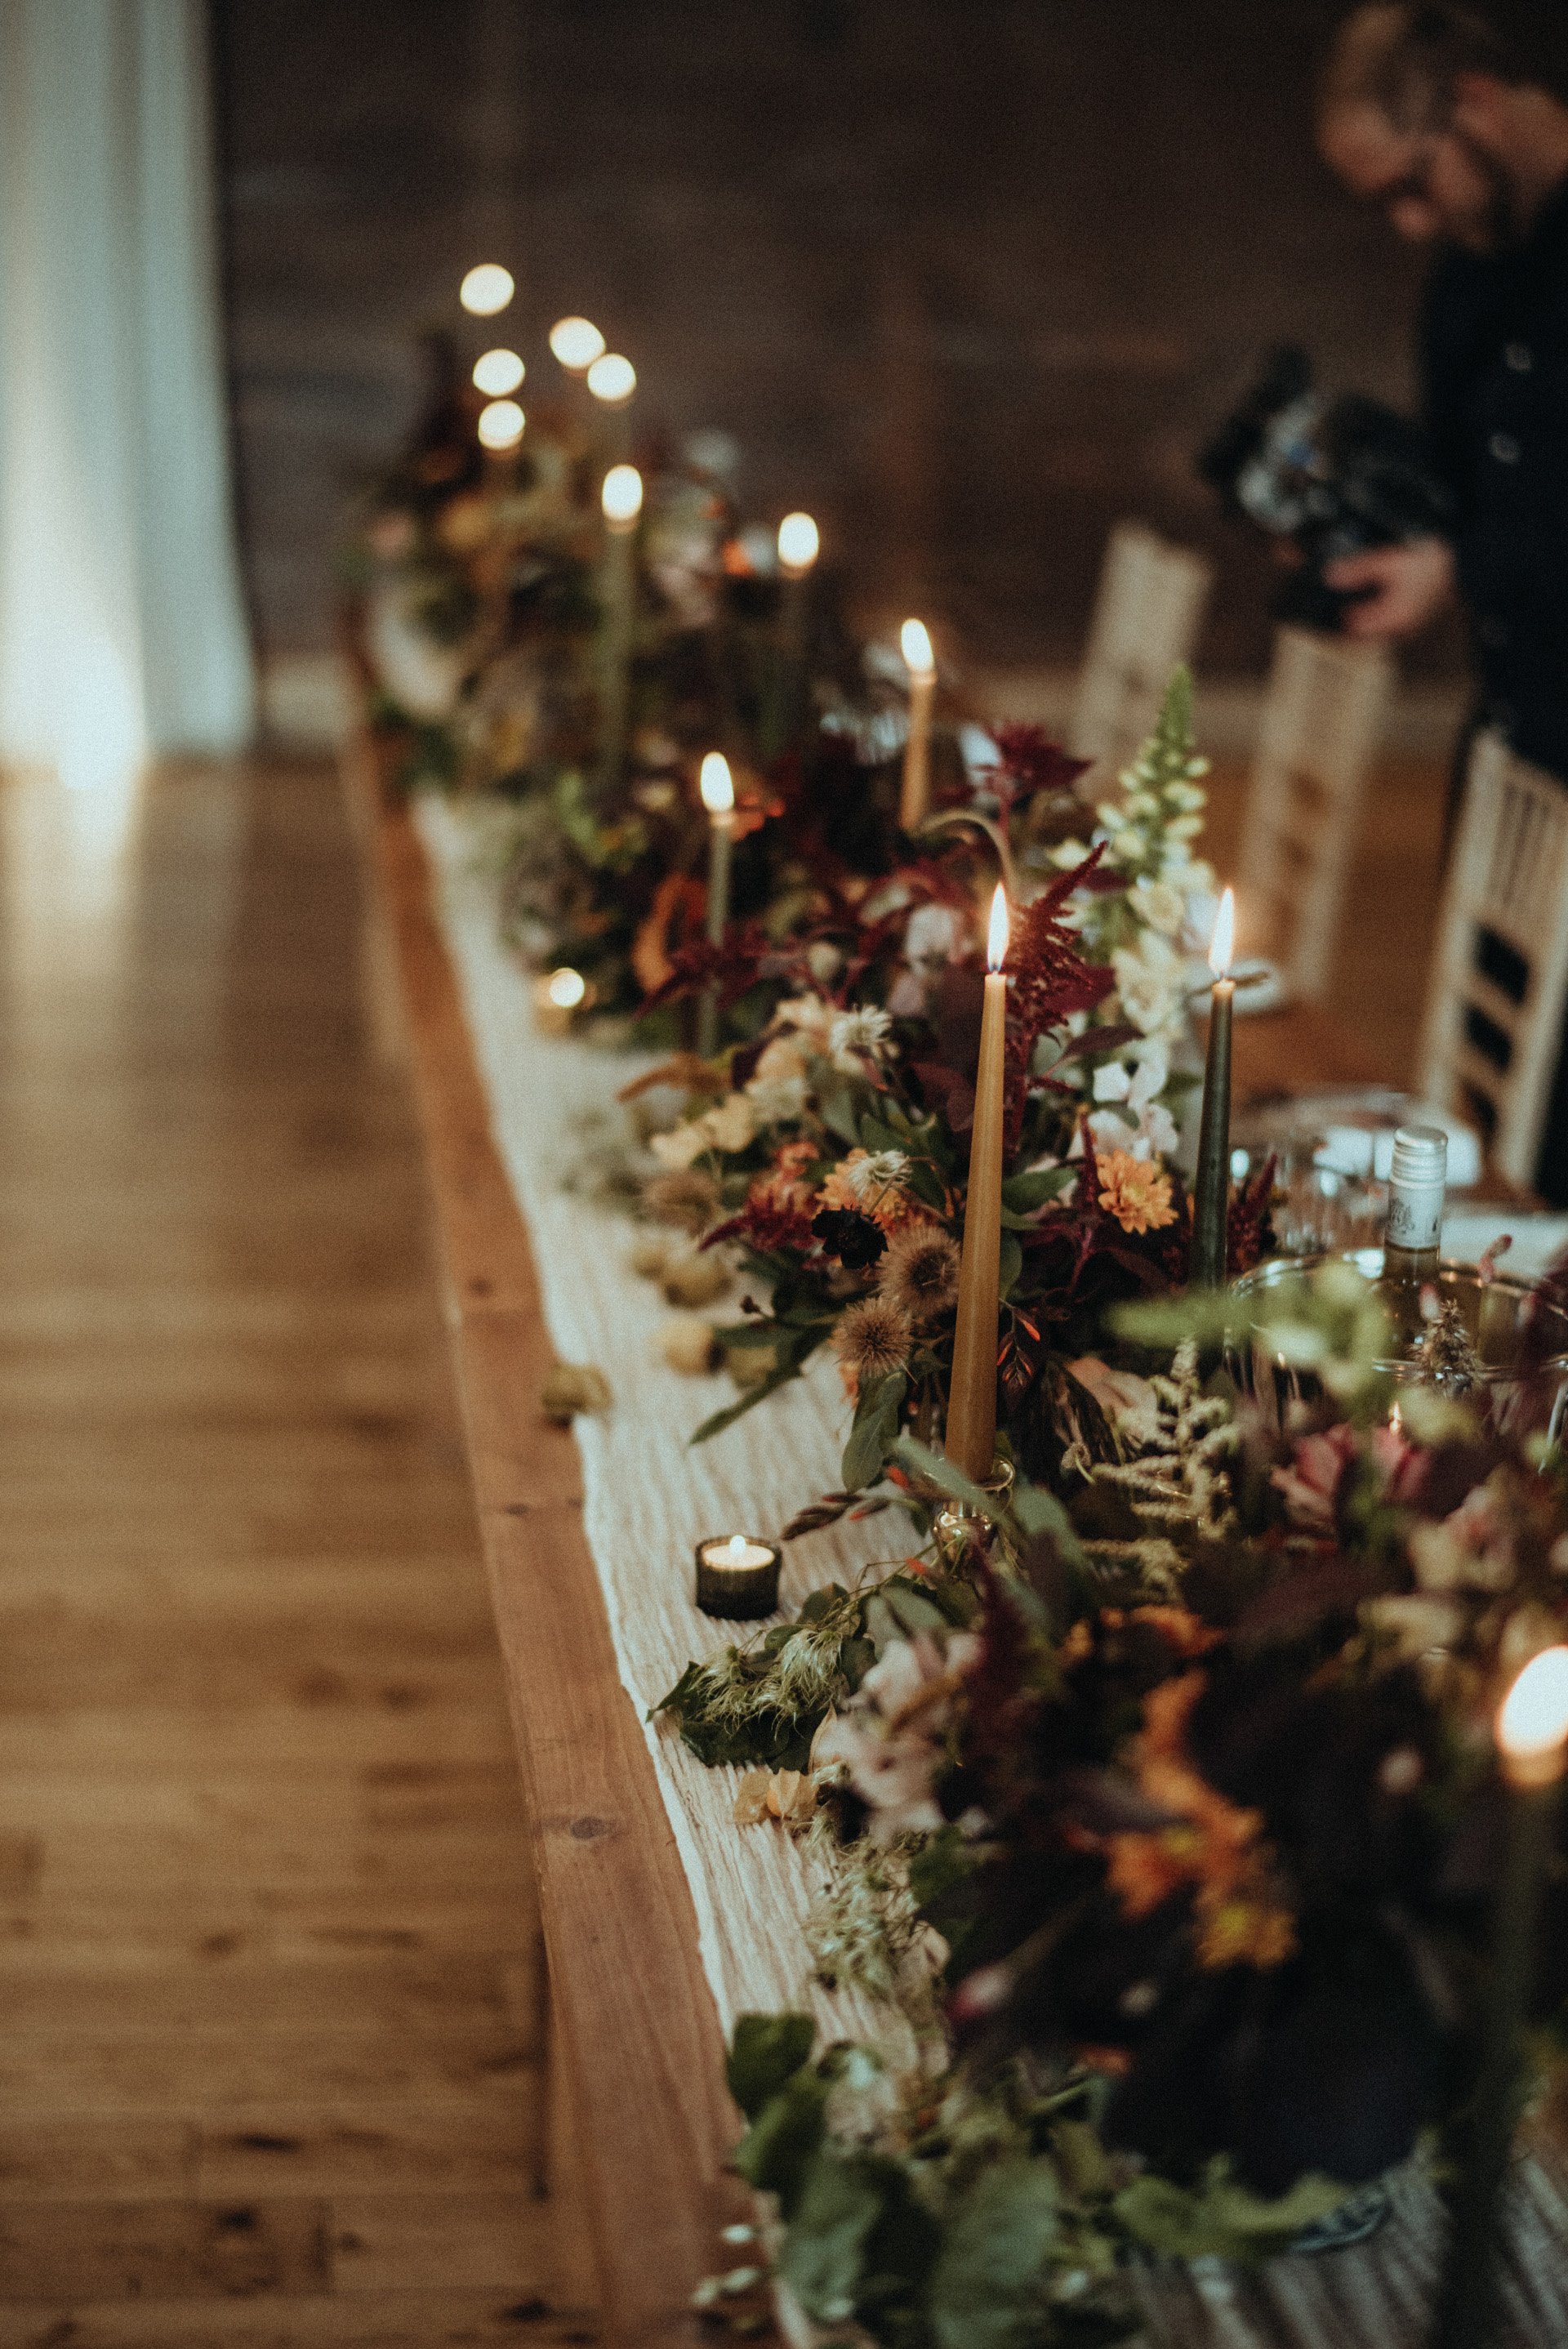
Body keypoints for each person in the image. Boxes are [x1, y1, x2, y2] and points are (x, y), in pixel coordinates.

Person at [1318, 3, 1568, 1198]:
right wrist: (1368, 528)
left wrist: (1466, 568)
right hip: (1517, 747)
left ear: (1474, 98)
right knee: (1510, 1140)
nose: (1412, 226)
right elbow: (1463, 488)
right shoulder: (1467, 283)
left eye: (1412, 187)